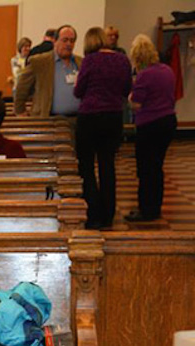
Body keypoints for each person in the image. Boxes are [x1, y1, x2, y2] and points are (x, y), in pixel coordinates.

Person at [73, 27, 132, 229]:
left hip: (90, 117)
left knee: (87, 167)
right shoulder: (122, 59)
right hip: (114, 117)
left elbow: (79, 90)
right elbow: (127, 89)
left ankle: (94, 214)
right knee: (108, 166)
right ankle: (108, 214)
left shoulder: (90, 60)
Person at [124, 34, 177, 222]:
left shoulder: (145, 75)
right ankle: (155, 207)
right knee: (157, 167)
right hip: (168, 121)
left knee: (146, 169)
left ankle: (146, 210)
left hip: (150, 124)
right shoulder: (167, 71)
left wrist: (130, 96)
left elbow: (136, 104)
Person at [14, 25, 82, 118]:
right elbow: (21, 89)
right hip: (48, 119)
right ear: (55, 41)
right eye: (65, 40)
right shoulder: (39, 62)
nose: (68, 44)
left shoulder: (81, 63)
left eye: (72, 41)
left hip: (77, 119)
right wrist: (20, 111)